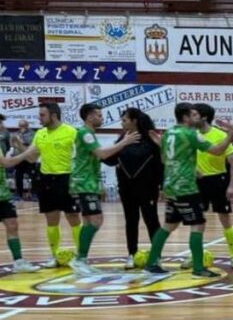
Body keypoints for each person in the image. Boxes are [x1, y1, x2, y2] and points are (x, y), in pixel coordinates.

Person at [142, 102, 233, 277]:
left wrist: (191, 168)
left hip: (171, 185)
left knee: (168, 225)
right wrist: (230, 135)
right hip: (186, 186)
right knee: (198, 224)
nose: (197, 117)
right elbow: (217, 151)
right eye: (194, 115)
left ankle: (151, 263)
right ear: (186, 117)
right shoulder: (191, 134)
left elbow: (165, 159)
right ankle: (198, 267)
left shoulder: (169, 133)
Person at [5, 102, 82, 268]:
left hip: (67, 179)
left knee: (73, 218)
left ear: (53, 115)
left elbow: (82, 155)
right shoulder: (40, 134)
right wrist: (18, 145)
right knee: (51, 220)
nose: (39, 118)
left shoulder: (71, 132)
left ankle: (81, 257)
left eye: (42, 115)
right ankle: (55, 256)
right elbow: (32, 158)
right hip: (46, 180)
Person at [67, 103, 139, 275]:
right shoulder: (85, 133)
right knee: (97, 220)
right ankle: (79, 259)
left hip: (86, 181)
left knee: (88, 222)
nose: (102, 118)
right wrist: (125, 142)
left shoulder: (88, 133)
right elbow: (102, 154)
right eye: (99, 115)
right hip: (84, 182)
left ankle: (81, 259)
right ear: (90, 117)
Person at [102, 108, 163, 269]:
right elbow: (110, 160)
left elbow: (161, 163)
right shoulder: (123, 138)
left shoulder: (150, 138)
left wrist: (162, 185)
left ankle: (157, 256)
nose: (122, 123)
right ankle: (131, 254)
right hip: (126, 187)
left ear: (134, 121)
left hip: (148, 187)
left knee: (152, 220)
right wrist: (98, 153)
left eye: (124, 120)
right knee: (131, 220)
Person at [194, 103, 233, 269]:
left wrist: (231, 186)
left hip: (218, 180)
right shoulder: (191, 135)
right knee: (197, 220)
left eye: (195, 114)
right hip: (198, 182)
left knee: (225, 218)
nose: (191, 118)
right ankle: (195, 256)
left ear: (204, 117)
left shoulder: (220, 135)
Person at [0, 153, 41, 273]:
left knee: (12, 225)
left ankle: (18, 262)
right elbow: (6, 163)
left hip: (2, 195)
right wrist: (25, 154)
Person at [10, 119, 37, 200]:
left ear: (27, 126)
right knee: (18, 176)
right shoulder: (15, 134)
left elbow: (30, 144)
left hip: (29, 158)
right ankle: (20, 194)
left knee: (33, 176)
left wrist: (20, 141)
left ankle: (33, 194)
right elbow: (12, 144)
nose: (21, 128)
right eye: (20, 126)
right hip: (19, 158)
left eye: (23, 126)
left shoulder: (32, 134)